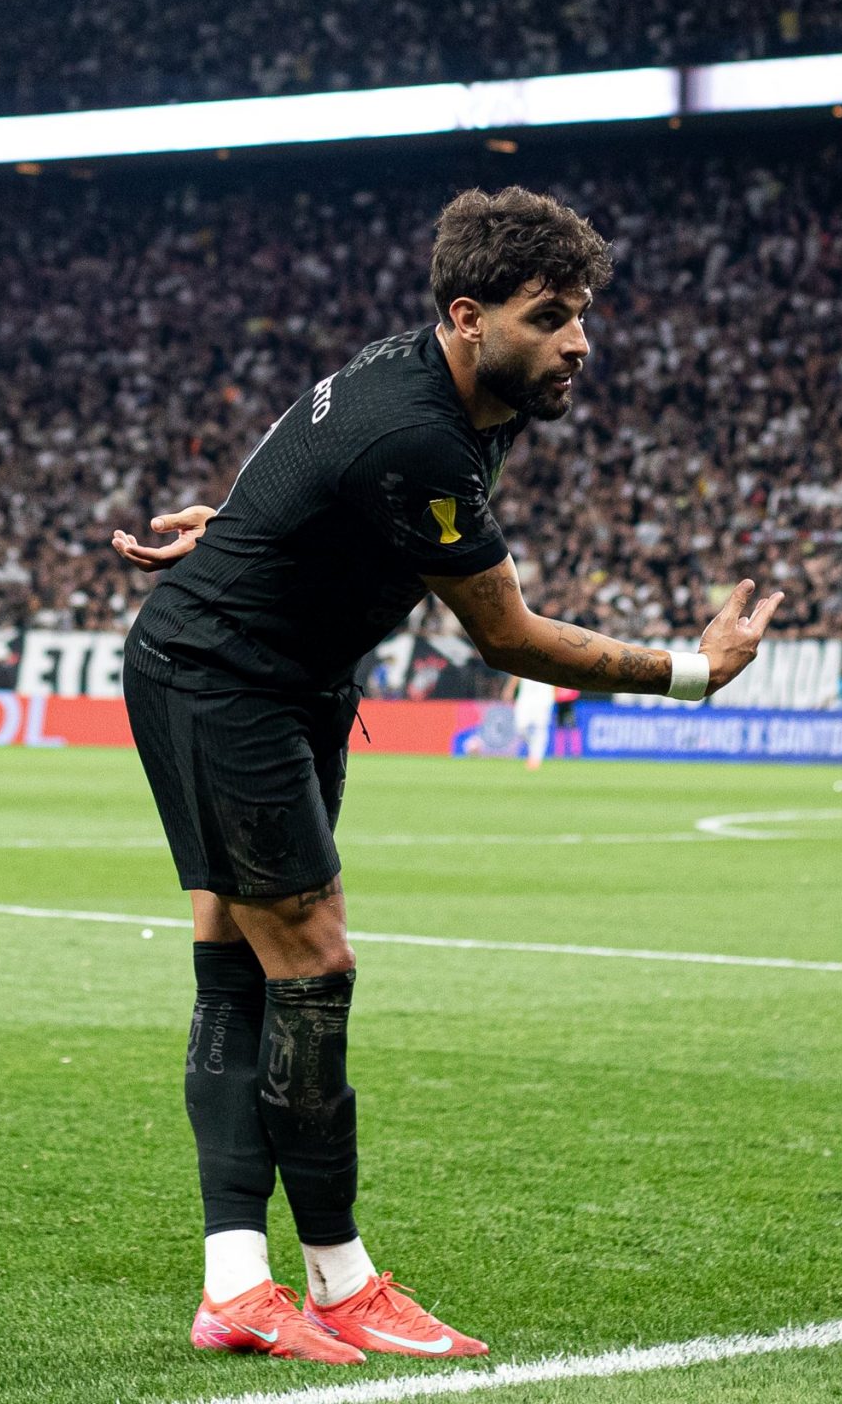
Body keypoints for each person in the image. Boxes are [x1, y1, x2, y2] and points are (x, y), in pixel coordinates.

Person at [111, 186, 781, 1365]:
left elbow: (314, 467)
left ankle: (236, 1287)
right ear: (468, 317)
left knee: (239, 963)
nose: (578, 342)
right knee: (311, 962)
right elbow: (506, 637)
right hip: (225, 678)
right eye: (548, 317)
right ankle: (337, 1280)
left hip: (280, 674)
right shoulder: (415, 429)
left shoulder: (446, 385)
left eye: (580, 314)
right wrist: (693, 670)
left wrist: (246, 525)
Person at [510, 668, 557, 770]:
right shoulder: (525, 660)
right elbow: (516, 672)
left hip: (544, 699)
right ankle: (533, 748)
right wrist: (510, 689)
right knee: (520, 727)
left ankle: (535, 758)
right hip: (525, 698)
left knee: (540, 728)